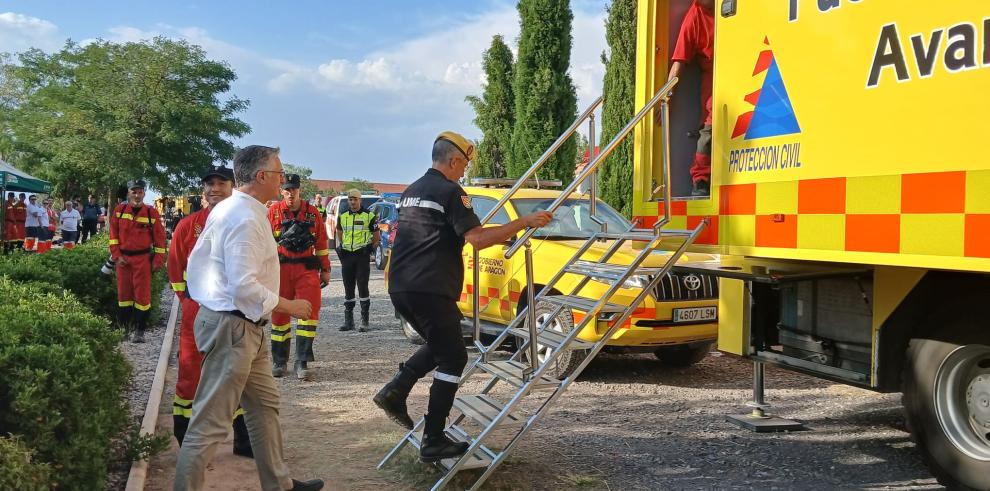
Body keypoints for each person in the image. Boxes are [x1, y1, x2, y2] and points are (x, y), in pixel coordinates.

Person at [373, 131, 552, 462]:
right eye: (464, 165)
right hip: (431, 286)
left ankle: (395, 391)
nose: (464, 172)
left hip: (402, 285)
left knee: (443, 343)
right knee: (453, 357)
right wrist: (523, 222)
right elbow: (479, 239)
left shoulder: (413, 189)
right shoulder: (451, 191)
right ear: (454, 161)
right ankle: (433, 439)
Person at [175, 145, 323, 491]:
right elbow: (244, 287)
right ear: (261, 177)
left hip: (244, 328)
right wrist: (290, 305)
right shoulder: (243, 218)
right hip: (234, 327)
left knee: (264, 408)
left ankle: (280, 484)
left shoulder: (236, 209)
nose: (283, 182)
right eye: (279, 174)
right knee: (209, 425)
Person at [167, 165, 253, 457]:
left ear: (233, 187)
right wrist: (190, 301)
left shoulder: (246, 222)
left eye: (221, 183)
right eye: (209, 184)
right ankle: (185, 440)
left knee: (237, 376)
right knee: (190, 374)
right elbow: (175, 270)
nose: (214, 188)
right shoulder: (187, 226)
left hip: (235, 315)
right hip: (197, 313)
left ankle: (243, 440)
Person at [268, 174, 331, 380]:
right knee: (279, 315)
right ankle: (279, 361)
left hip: (306, 269)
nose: (290, 194)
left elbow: (321, 244)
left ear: (299, 191)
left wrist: (326, 270)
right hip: (281, 270)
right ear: (281, 192)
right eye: (286, 190)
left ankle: (301, 361)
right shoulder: (273, 212)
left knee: (309, 314)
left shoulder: (312, 213)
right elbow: (263, 244)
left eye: (293, 190)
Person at [109, 180, 166, 343]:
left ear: (144, 194)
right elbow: (113, 237)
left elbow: (160, 239)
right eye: (134, 192)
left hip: (143, 260)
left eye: (140, 192)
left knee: (142, 297)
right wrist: (117, 256)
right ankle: (123, 330)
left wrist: (157, 261)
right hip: (123, 261)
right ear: (128, 193)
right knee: (123, 296)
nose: (137, 195)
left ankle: (139, 331)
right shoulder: (119, 211)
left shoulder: (151, 213)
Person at [668, 0, 715, 196]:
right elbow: (679, 63)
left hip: (746, 70)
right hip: (714, 80)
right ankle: (701, 180)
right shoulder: (694, 18)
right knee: (709, 129)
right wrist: (666, 97)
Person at [335, 188, 379, 332]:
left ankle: (364, 321)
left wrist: (370, 248)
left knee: (362, 286)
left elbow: (376, 235)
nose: (352, 202)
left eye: (355, 199)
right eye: (350, 199)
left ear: (360, 200)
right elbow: (339, 233)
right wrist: (342, 247)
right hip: (347, 255)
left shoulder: (369, 215)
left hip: (362, 255)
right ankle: (349, 322)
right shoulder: (343, 216)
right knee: (348, 287)